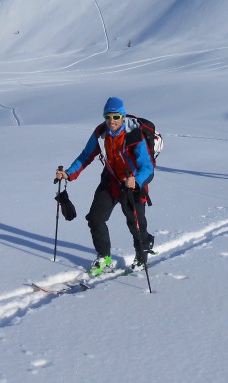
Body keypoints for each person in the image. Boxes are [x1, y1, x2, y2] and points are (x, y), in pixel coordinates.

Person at [55, 97, 155, 275]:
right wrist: (69, 173)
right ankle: (104, 257)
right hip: (111, 181)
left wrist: (136, 181)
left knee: (136, 223)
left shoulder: (134, 135)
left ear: (123, 117)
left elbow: (147, 167)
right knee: (95, 218)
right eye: (107, 116)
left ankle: (142, 252)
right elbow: (86, 156)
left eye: (116, 117)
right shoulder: (100, 133)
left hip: (132, 184)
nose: (111, 121)